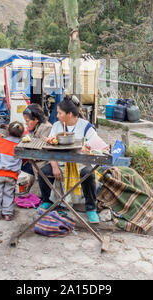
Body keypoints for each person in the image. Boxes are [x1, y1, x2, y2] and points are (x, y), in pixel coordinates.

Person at [38, 94, 100, 224]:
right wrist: (54, 166)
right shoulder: (56, 126)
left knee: (88, 174)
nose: (58, 115)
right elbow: (49, 147)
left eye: (60, 113)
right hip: (59, 163)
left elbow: (96, 145)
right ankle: (47, 201)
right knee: (43, 171)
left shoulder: (86, 126)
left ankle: (91, 208)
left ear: (70, 114)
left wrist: (87, 149)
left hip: (79, 164)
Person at [0, 121, 24, 221]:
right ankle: (7, 214)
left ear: (7, 131)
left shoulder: (1, 141)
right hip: (12, 175)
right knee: (8, 194)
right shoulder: (20, 145)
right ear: (21, 134)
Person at [21, 104, 52, 187]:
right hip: (36, 163)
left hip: (43, 164)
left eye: (27, 121)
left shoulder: (46, 128)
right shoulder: (35, 128)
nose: (26, 124)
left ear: (36, 119)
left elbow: (41, 151)